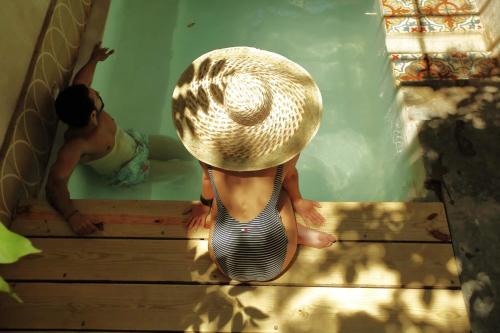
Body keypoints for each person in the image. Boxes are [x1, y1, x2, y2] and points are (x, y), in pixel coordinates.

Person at [174, 47, 336, 282]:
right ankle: (295, 234)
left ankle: (244, 228)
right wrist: (299, 202)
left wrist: (202, 207)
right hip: (277, 259)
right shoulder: (284, 156)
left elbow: (207, 181)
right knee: (280, 194)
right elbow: (290, 178)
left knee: (223, 201)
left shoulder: (209, 156)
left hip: (224, 261)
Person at [46, 43, 189, 235]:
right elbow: (55, 182)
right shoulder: (77, 146)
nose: (97, 93)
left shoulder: (82, 107)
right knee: (183, 170)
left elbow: (81, 82)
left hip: (137, 142)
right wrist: (73, 216)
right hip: (133, 170)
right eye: (96, 97)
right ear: (93, 116)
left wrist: (94, 59)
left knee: (184, 149)